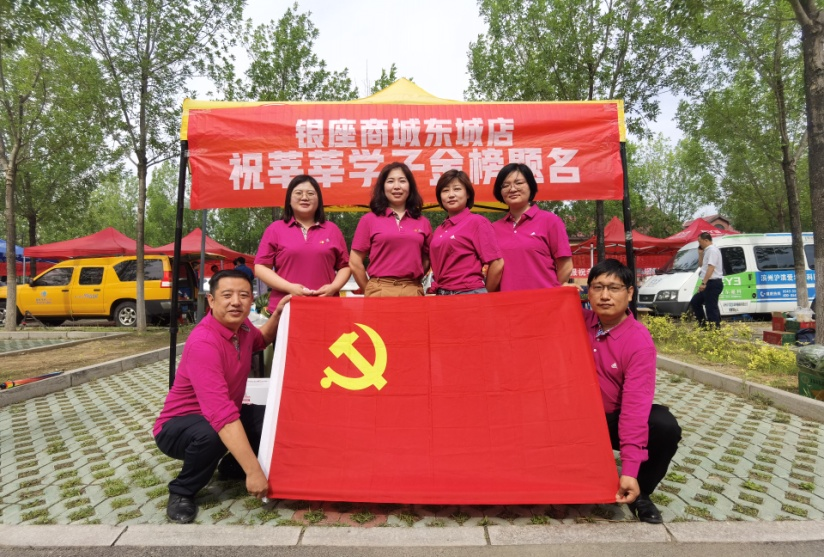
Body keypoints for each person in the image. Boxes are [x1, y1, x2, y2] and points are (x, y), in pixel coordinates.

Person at [153, 270, 290, 524]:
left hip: (221, 414)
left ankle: (229, 467)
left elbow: (261, 340)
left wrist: (279, 313)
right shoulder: (204, 342)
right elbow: (221, 416)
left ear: (251, 300)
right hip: (178, 426)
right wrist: (254, 472)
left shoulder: (243, 327)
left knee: (271, 417)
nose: (236, 302)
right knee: (212, 433)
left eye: (243, 295)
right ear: (211, 300)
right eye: (227, 295)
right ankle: (182, 490)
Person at [583, 259, 681, 524]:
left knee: (663, 425)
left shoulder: (639, 342)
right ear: (588, 292)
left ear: (629, 293)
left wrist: (628, 469)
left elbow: (634, 409)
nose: (604, 296)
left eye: (613, 288)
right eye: (597, 287)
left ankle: (640, 491)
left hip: (611, 421)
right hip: (575, 418)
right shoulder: (577, 321)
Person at [254, 175, 351, 314]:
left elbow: (345, 267)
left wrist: (334, 287)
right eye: (298, 193)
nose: (304, 197)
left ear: (319, 200)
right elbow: (261, 267)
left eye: (310, 193)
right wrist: (289, 287)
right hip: (285, 307)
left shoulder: (332, 230)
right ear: (289, 199)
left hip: (326, 306)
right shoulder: (275, 229)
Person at [349, 162, 432, 296]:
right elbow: (355, 262)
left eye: (402, 181)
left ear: (410, 186)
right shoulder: (369, 220)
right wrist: (369, 289)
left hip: (412, 289)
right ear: (382, 187)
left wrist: (412, 279)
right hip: (379, 290)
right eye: (390, 181)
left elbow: (427, 259)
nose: (397, 186)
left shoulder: (423, 222)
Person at [491, 163, 572, 291]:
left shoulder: (550, 221)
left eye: (519, 183)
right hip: (506, 300)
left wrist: (553, 293)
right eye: (505, 185)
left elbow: (565, 265)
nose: (512, 189)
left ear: (530, 185)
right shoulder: (493, 228)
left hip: (543, 300)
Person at [429, 169, 503, 294]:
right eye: (445, 190)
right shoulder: (439, 230)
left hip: (468, 292)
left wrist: (485, 295)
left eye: (457, 189)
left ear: (468, 194)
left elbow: (497, 263)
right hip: (442, 293)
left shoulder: (477, 222)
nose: (451, 195)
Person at [690, 232, 724, 328]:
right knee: (695, 302)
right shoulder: (707, 251)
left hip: (713, 282)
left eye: (700, 241)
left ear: (706, 240)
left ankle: (715, 328)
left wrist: (704, 283)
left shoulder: (712, 250)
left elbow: (711, 267)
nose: (699, 244)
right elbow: (701, 265)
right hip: (708, 282)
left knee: (711, 307)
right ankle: (703, 325)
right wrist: (700, 254)